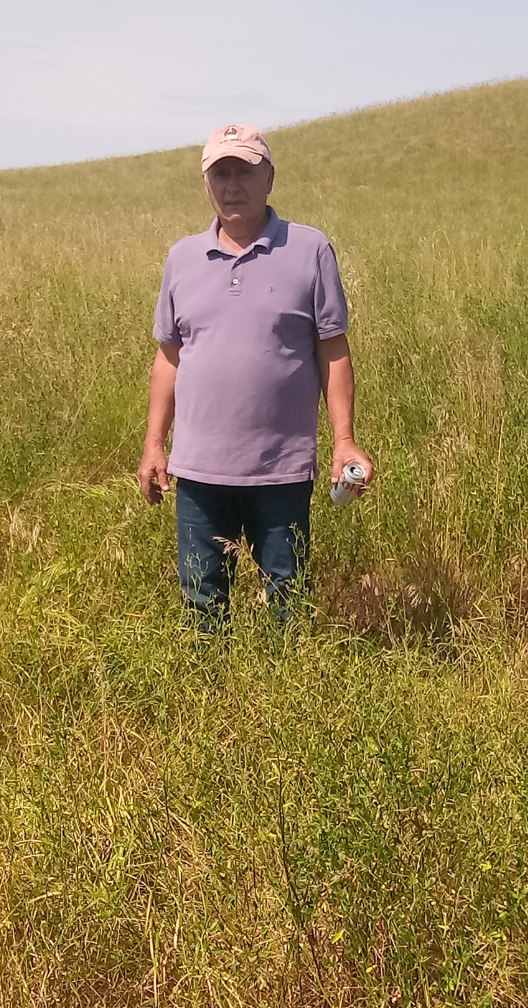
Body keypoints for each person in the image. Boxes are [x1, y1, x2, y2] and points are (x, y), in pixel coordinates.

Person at [138, 123, 373, 635]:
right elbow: (168, 358)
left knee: (288, 599)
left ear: (269, 177)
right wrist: (155, 445)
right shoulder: (182, 258)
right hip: (199, 471)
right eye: (220, 173)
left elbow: (332, 350)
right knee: (201, 603)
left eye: (244, 171)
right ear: (207, 184)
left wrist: (345, 441)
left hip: (280, 469)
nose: (232, 185)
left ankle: (288, 701)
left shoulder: (310, 251)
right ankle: (210, 700)